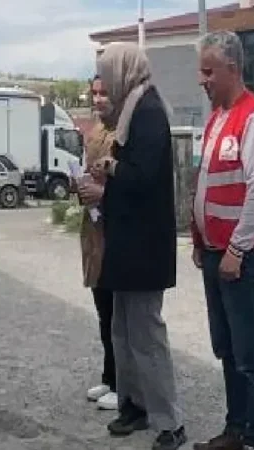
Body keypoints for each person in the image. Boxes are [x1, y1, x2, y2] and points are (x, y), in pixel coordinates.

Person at [79, 42, 187, 450]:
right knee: (122, 329)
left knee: (146, 334)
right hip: (127, 242)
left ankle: (170, 421)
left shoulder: (148, 113)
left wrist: (111, 168)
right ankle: (135, 404)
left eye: (108, 74)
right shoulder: (131, 110)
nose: (104, 83)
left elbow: (143, 177)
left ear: (124, 72)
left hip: (144, 245)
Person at [190, 31, 254, 450]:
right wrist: (199, 238)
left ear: (231, 68)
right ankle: (234, 428)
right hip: (214, 253)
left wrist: (237, 249)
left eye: (208, 71)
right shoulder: (216, 119)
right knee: (226, 348)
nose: (202, 80)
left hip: (240, 257)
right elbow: (207, 183)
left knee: (248, 354)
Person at [80, 75, 118, 411]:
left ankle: (122, 382)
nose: (98, 98)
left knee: (118, 313)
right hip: (93, 231)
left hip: (114, 233)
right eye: (94, 92)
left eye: (104, 92)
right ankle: (110, 375)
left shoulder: (123, 132)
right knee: (103, 312)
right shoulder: (94, 132)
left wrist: (103, 194)